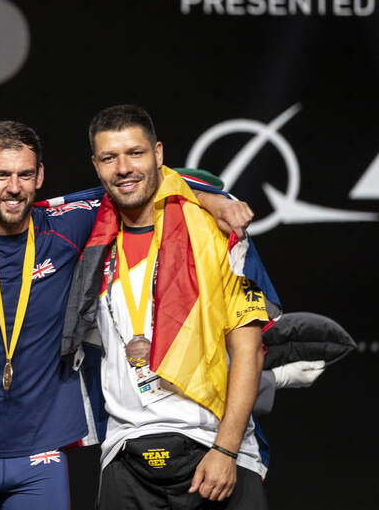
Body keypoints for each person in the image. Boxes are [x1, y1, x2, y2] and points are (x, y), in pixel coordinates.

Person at [0, 120, 251, 510]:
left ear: (40, 176)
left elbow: (134, 182)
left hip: (42, 451)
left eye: (25, 174)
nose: (14, 187)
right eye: (1, 175)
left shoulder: (69, 227)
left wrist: (214, 200)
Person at [63, 104, 275, 509]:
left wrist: (227, 450)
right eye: (109, 158)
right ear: (96, 165)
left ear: (159, 154)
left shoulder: (218, 234)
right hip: (125, 452)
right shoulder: (88, 239)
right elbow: (4, 220)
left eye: (136, 153)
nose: (123, 168)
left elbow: (248, 350)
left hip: (212, 445)